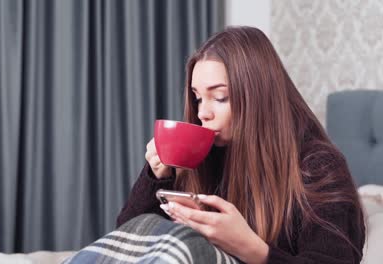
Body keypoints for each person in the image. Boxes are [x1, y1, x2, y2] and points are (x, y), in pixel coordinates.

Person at [117, 26, 365, 264]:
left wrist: (253, 250)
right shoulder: (204, 156)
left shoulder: (318, 166)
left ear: (258, 95)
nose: (202, 112)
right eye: (198, 98)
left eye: (220, 97)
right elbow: (126, 246)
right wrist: (156, 176)